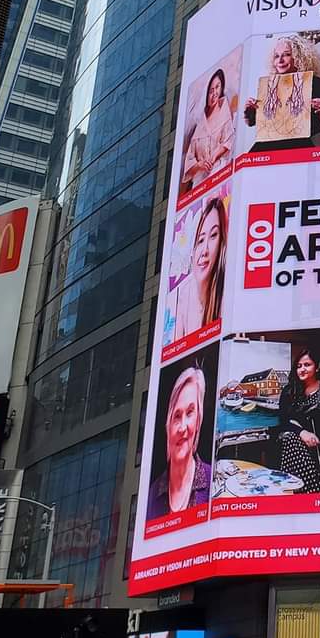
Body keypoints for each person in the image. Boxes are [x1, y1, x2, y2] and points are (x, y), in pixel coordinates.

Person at [244, 35, 320, 151]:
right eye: (276, 56)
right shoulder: (268, 86)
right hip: (264, 148)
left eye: (286, 54)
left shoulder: (315, 82)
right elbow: (257, 124)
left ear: (298, 57)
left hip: (298, 147)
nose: (280, 60)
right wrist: (249, 114)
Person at [146, 366, 211, 520]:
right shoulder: (150, 496)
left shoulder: (214, 481)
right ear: (168, 425)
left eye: (189, 413)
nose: (182, 428)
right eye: (176, 416)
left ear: (198, 420)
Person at [275, 347, 320, 492]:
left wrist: (315, 438)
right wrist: (302, 432)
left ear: (317, 367)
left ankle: (306, 491)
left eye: (307, 365)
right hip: (295, 444)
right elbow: (283, 421)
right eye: (299, 366)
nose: (302, 369)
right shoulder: (290, 391)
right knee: (290, 438)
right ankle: (305, 490)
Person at [173, 198, 226, 340]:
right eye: (201, 240)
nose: (205, 250)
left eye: (214, 235)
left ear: (222, 242)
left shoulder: (226, 295)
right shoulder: (185, 295)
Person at [182, 68, 235, 187]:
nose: (214, 93)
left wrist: (214, 156)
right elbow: (190, 159)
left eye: (217, 87)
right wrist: (200, 165)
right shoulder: (199, 125)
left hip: (220, 173)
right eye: (211, 90)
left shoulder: (224, 112)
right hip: (200, 183)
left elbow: (229, 140)